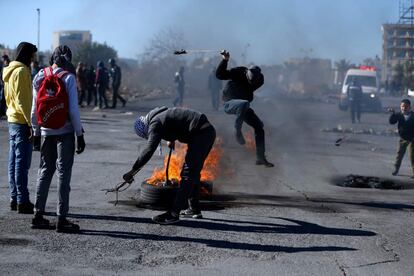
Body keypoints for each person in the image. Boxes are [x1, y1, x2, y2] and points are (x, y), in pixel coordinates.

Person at [123, 106, 216, 225]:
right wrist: (171, 139)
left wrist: (133, 171)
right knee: (193, 173)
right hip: (205, 132)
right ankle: (194, 209)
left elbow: (149, 150)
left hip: (201, 134)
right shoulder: (158, 116)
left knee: (187, 174)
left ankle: (173, 214)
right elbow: (174, 122)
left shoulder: (154, 124)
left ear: (145, 129)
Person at [30, 45, 85, 232]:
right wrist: (80, 134)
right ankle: (62, 219)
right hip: (65, 132)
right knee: (63, 174)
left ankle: (38, 215)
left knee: (44, 171)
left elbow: (34, 109)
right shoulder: (69, 78)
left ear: (51, 58)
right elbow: (74, 111)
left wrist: (36, 132)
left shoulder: (39, 76)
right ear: (69, 59)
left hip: (45, 131)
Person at [215, 50, 273, 167]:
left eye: (253, 82)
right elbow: (219, 75)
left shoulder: (260, 80)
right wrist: (225, 60)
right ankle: (238, 130)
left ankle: (260, 157)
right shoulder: (239, 71)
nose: (250, 82)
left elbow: (248, 92)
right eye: (249, 79)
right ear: (247, 72)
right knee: (244, 103)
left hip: (243, 106)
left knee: (259, 127)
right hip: (230, 103)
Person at [2, 42, 37, 213]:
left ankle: (14, 198)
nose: (34, 59)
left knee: (13, 162)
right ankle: (23, 201)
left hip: (12, 120)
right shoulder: (22, 71)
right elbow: (24, 101)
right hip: (22, 122)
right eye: (33, 55)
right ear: (27, 55)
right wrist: (31, 124)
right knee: (22, 164)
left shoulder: (9, 70)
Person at [388, 99, 414, 177]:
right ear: (400, 107)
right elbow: (392, 122)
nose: (404, 108)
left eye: (406, 107)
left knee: (412, 156)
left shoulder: (413, 116)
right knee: (399, 155)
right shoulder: (399, 115)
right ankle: (396, 169)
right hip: (402, 138)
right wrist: (392, 113)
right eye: (402, 106)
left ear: (410, 107)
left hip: (412, 139)